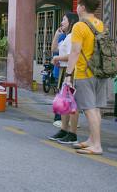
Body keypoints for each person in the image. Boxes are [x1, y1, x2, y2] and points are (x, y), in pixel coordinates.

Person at [64, 0, 106, 156]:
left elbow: (75, 52)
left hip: (85, 72)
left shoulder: (79, 26)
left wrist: (68, 74)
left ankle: (96, 145)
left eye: (78, 4)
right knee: (95, 109)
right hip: (101, 71)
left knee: (89, 108)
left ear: (82, 7)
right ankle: (91, 139)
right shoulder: (100, 24)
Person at [48, 12, 80, 144]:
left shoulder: (73, 36)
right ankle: (64, 130)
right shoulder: (66, 36)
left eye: (64, 20)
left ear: (71, 22)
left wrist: (57, 58)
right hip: (64, 70)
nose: (62, 22)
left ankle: (72, 133)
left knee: (72, 103)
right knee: (65, 102)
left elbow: (72, 55)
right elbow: (54, 49)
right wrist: (56, 35)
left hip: (70, 71)